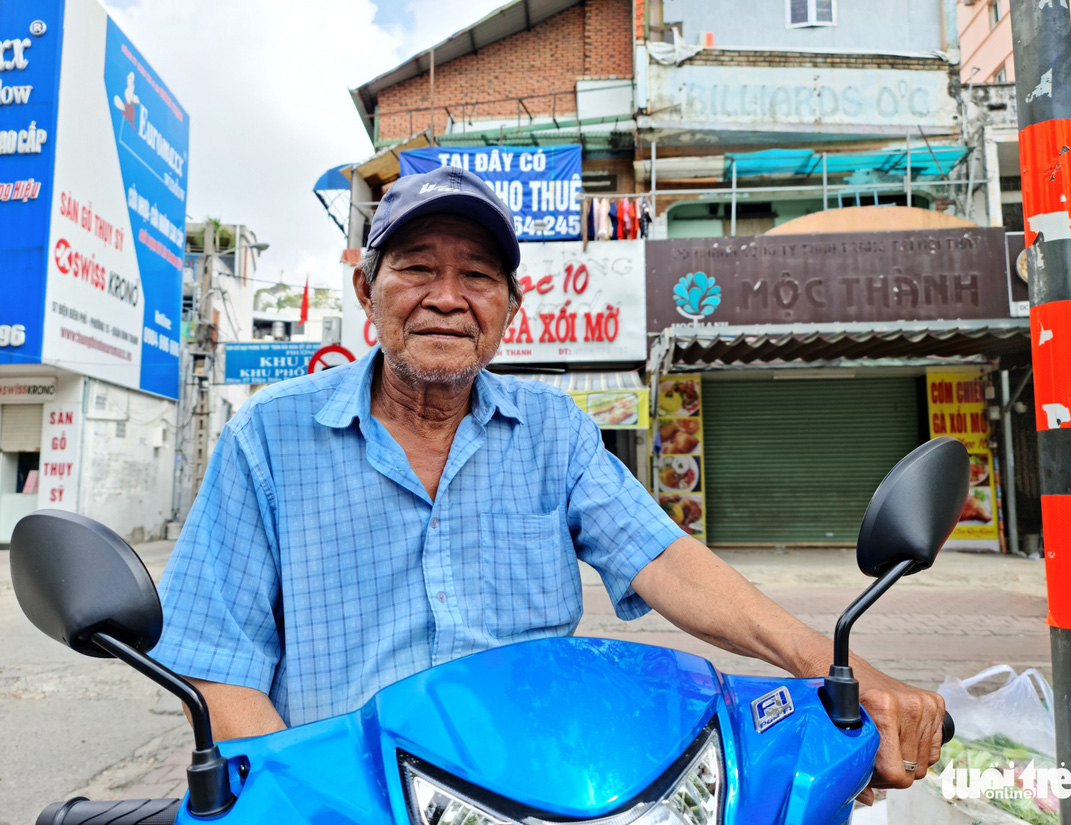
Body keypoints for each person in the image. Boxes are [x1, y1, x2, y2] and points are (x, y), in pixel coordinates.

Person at [153, 165, 944, 805]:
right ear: (367, 291)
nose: (447, 296)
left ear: (509, 309)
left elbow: (663, 558)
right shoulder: (267, 437)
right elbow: (222, 670)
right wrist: (307, 802)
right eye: (418, 269)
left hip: (552, 793)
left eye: (478, 276)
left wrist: (833, 666)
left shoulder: (552, 431)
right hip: (359, 802)